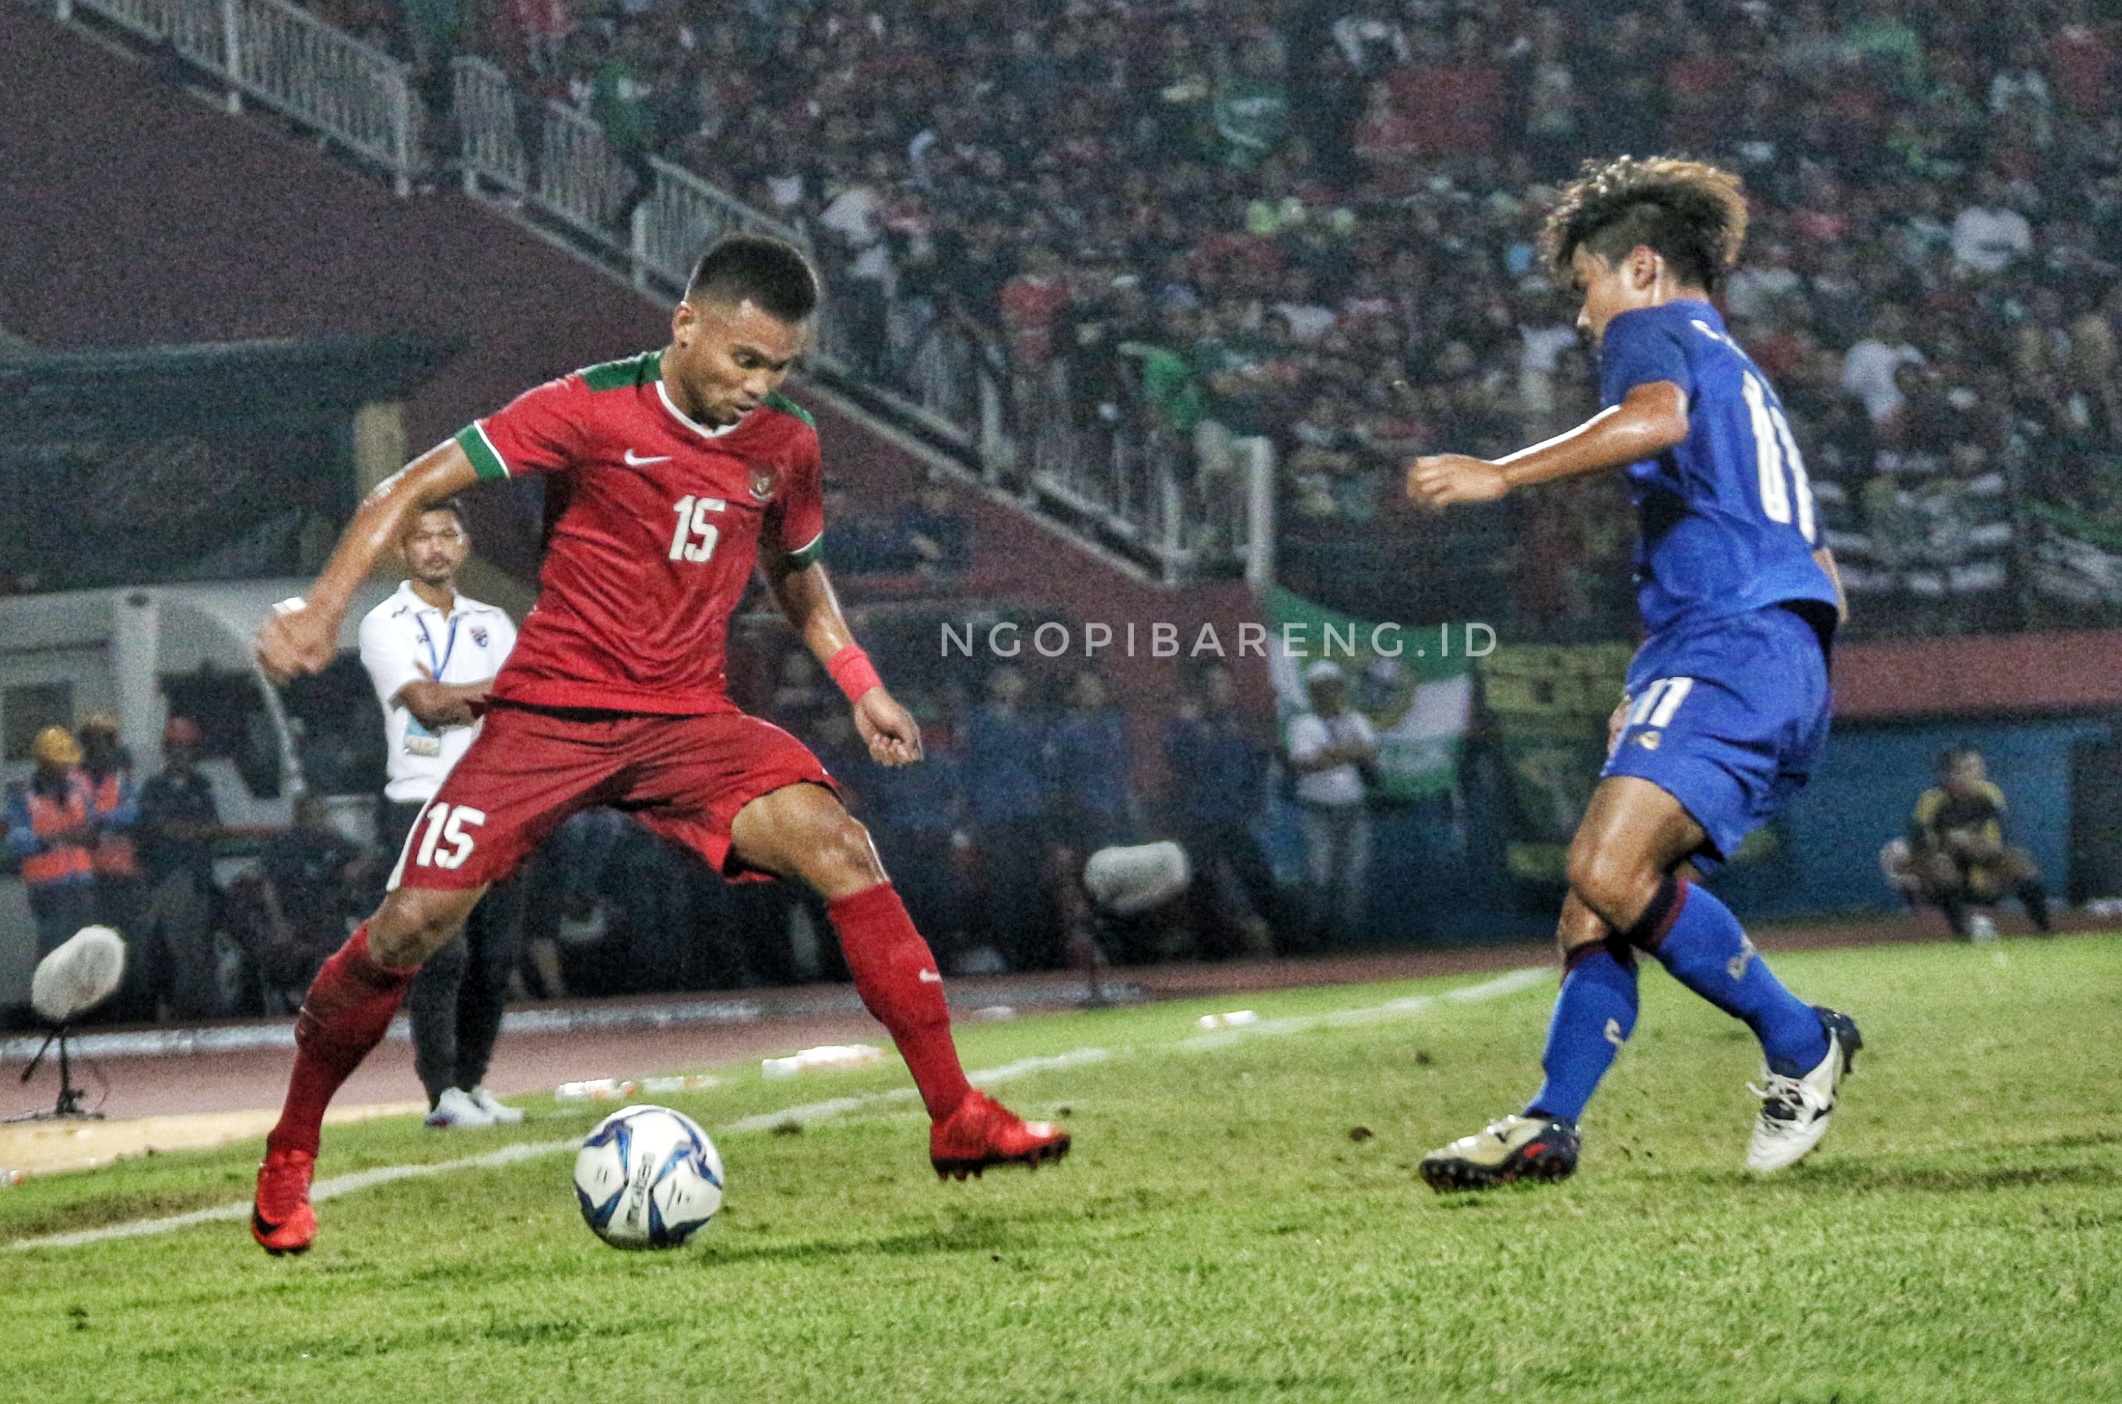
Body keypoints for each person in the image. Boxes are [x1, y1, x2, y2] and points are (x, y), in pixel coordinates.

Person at [248, 235, 1068, 1255]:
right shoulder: (584, 407)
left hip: (686, 722)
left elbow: (797, 578)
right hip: (550, 718)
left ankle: (956, 1116)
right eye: (744, 361)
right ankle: (290, 1152)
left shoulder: (785, 445)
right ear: (687, 326)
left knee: (843, 850)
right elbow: (402, 490)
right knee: (409, 929)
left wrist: (861, 684)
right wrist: (325, 610)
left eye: (779, 369)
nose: (758, 388)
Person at [1407, 156, 1862, 1190]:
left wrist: (1500, 474)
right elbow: (1824, 570)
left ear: (1643, 267)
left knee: (1606, 874)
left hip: (1732, 646)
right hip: (1756, 650)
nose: (1583, 319)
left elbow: (1650, 421)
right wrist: (1685, 673)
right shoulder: (1738, 368)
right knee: (1596, 903)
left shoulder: (1650, 330)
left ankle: (1801, 1043)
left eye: (1586, 289)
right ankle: (1548, 1123)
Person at [357, 499, 525, 1128]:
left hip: (495, 804)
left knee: (497, 953)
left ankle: (473, 1083)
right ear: (405, 550)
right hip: (423, 804)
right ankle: (441, 1094)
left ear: (464, 544)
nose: (434, 547)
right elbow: (427, 706)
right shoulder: (385, 622)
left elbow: (522, 713)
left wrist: (477, 698)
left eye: (446, 535)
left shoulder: (493, 621)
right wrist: (497, 694)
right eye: (421, 537)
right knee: (442, 952)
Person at [134, 716, 227, 1019]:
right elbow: (160, 828)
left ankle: (199, 1010)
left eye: (187, 749)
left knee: (198, 947)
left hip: (198, 879)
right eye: (176, 749)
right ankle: (176, 1010)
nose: (182, 755)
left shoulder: (202, 786)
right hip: (165, 881)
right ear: (167, 751)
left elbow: (214, 827)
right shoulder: (154, 788)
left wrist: (186, 831)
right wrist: (190, 831)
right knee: (170, 948)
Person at [1907, 746, 2052, 939]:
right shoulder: (1931, 801)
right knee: (1940, 866)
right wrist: (1949, 845)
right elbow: (1920, 847)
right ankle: (1962, 934)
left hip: (1981, 863)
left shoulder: (1990, 794)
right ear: (1947, 776)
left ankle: (2044, 931)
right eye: (1964, 769)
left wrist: (1975, 845)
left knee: (2021, 863)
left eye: (1976, 768)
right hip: (1945, 868)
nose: (1974, 774)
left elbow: (1996, 843)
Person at [1283, 660, 1377, 949]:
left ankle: (1345, 939)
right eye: (1323, 687)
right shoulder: (1302, 724)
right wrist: (1349, 752)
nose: (1330, 692)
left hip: (1353, 806)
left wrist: (1331, 755)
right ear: (1313, 691)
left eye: (1334, 686)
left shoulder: (1356, 720)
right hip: (1317, 808)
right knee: (1317, 873)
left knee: (1352, 874)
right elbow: (1305, 763)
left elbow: (1370, 755)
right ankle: (1313, 938)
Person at [78, 714, 150, 1020]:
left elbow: (132, 815)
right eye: (95, 741)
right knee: (92, 951)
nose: (102, 748)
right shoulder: (73, 782)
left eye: (107, 740)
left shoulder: (122, 780)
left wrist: (99, 821)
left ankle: (134, 1014)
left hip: (124, 878)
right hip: (87, 881)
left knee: (129, 949)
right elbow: (75, 822)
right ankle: (96, 1016)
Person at [5, 727, 97, 958]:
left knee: (83, 954)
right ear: (43, 763)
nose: (65, 768)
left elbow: (92, 827)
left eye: (67, 763)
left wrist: (87, 835)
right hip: (48, 887)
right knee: (54, 953)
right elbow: (17, 840)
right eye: (59, 763)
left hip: (82, 883)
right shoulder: (23, 796)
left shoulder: (77, 790)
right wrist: (59, 838)